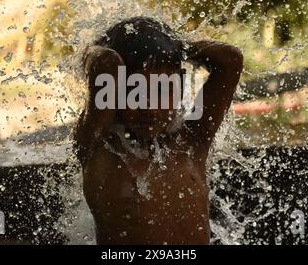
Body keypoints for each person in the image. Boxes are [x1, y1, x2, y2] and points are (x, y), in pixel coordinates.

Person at [73, 17, 243, 244]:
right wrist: (89, 52)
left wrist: (173, 47)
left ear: (181, 84)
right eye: (135, 91)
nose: (150, 108)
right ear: (111, 91)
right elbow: (106, 62)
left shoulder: (192, 140)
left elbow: (230, 60)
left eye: (162, 90)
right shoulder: (98, 144)